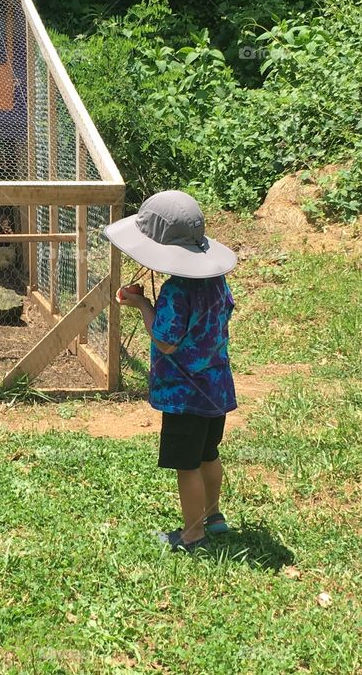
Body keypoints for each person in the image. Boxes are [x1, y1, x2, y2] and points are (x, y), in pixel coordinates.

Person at [105, 190, 238, 553]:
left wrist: (143, 303)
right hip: (215, 388)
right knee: (209, 454)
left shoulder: (177, 290)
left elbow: (166, 340)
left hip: (185, 396)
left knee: (187, 464)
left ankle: (193, 535)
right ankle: (214, 516)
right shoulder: (216, 281)